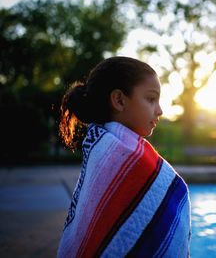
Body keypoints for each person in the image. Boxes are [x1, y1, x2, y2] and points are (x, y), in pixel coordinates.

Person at [57, 56, 191, 257]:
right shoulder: (130, 160)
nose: (160, 110)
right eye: (151, 99)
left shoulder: (99, 146)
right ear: (119, 100)